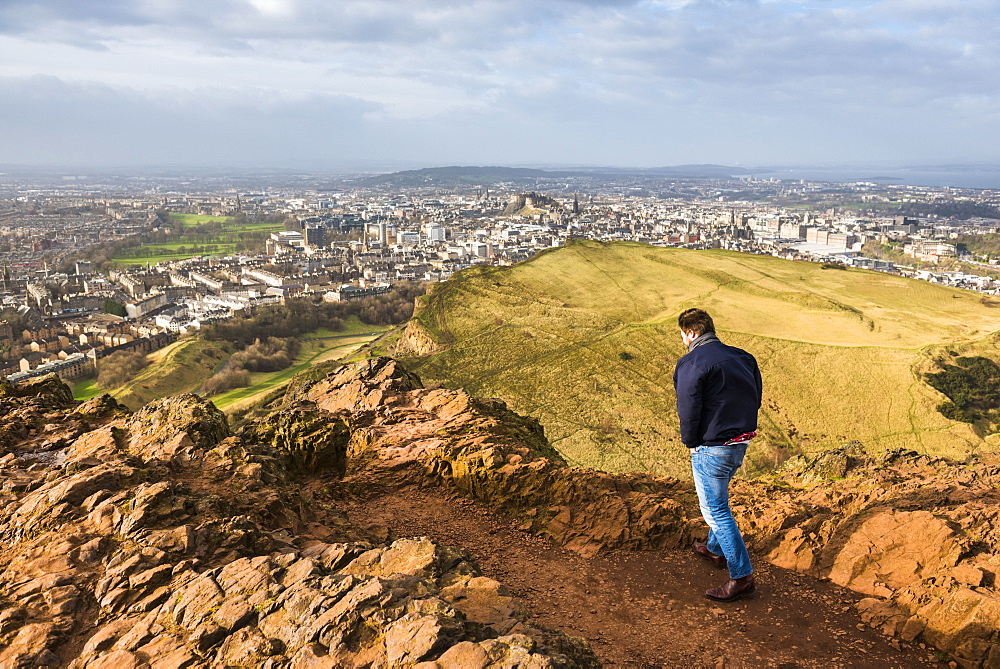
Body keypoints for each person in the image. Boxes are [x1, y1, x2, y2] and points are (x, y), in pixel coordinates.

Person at [673, 307, 762, 602]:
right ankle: (714, 550)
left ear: (691, 332)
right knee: (719, 500)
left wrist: (691, 442)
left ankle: (741, 576)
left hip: (712, 447)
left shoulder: (692, 363)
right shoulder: (743, 356)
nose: (684, 340)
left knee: (715, 511)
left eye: (683, 335)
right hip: (741, 441)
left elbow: (688, 407)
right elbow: (756, 396)